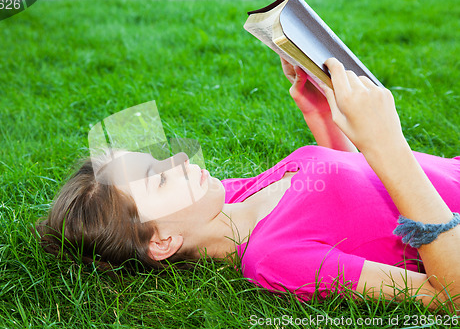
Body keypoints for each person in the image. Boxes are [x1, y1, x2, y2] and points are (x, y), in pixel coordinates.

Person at [35, 58, 460, 310]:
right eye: (160, 178)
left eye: (159, 158)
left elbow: (362, 200)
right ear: (162, 241)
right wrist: (389, 145)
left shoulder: (231, 196)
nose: (180, 159)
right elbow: (447, 296)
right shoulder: (273, 258)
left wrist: (321, 116)